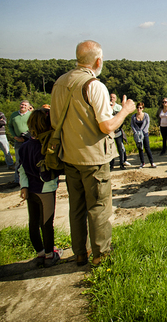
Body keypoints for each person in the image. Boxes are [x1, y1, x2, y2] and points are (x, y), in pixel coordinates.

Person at [50, 40, 136, 266]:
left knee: (76, 208)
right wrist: (125, 111)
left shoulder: (60, 83)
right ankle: (101, 254)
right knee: (98, 207)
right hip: (94, 158)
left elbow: (54, 120)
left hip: (68, 156)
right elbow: (107, 126)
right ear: (98, 61)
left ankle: (80, 253)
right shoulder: (94, 85)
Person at [18, 109, 64, 267]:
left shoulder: (24, 147)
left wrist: (24, 186)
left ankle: (40, 253)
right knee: (46, 223)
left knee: (33, 222)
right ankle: (50, 255)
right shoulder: (46, 147)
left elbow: (21, 169)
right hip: (46, 189)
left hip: (30, 189)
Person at [8, 100, 32, 184]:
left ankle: (30, 179)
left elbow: (34, 126)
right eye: (22, 104)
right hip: (17, 140)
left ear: (28, 107)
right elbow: (10, 126)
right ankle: (17, 180)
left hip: (29, 140)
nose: (23, 106)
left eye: (25, 105)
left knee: (30, 159)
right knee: (18, 160)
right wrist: (14, 136)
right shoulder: (14, 115)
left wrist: (26, 136)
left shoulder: (31, 114)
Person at [131, 103, 157, 168]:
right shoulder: (133, 117)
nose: (139, 109)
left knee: (147, 148)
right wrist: (135, 132)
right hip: (137, 134)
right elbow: (132, 125)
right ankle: (142, 162)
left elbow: (147, 124)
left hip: (144, 133)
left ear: (143, 108)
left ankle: (152, 162)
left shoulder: (146, 115)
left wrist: (143, 131)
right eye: (138, 107)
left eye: (140, 108)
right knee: (140, 148)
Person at [110, 93, 130, 167]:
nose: (112, 98)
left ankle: (122, 163)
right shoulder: (106, 107)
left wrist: (118, 128)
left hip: (118, 131)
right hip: (110, 131)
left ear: (115, 99)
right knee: (111, 149)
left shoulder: (118, 107)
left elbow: (121, 119)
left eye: (113, 97)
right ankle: (111, 164)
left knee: (120, 147)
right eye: (111, 97)